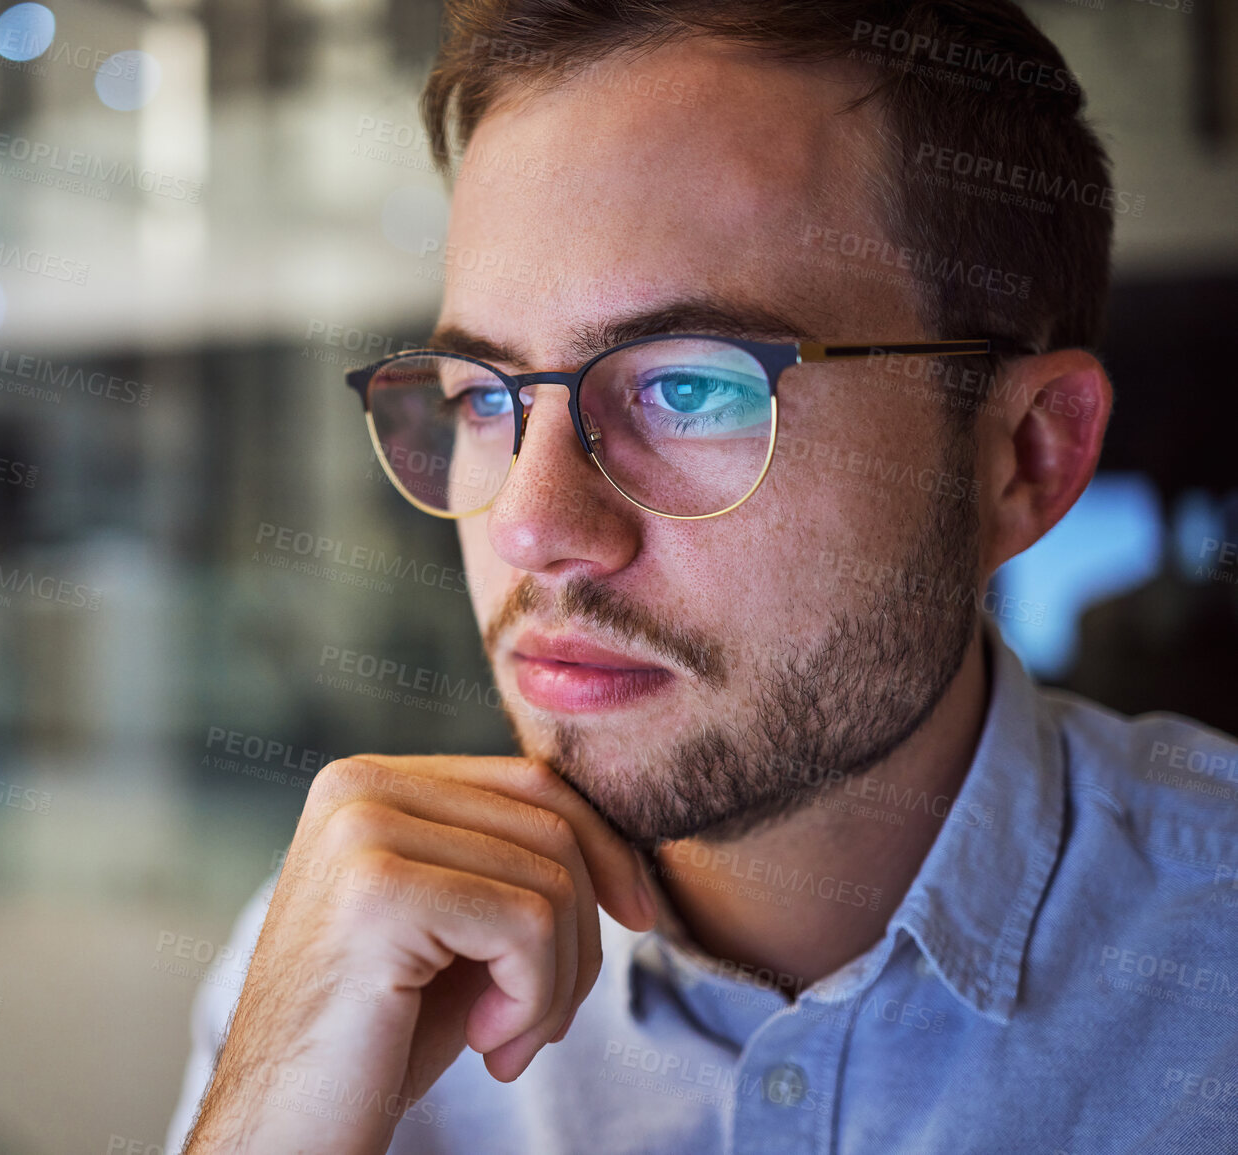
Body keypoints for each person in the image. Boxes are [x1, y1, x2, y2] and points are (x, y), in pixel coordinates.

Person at [169, 2, 1238, 1151]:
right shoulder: (344, 966)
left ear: (1023, 457)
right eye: (485, 394)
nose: (530, 530)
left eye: (690, 389)